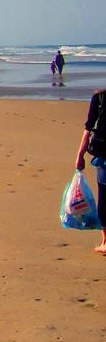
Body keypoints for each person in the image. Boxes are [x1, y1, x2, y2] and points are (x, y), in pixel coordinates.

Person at [74, 89, 106, 253]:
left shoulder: (99, 97)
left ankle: (105, 242)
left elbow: (88, 128)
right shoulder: (99, 97)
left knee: (104, 198)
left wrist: (80, 155)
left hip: (104, 156)